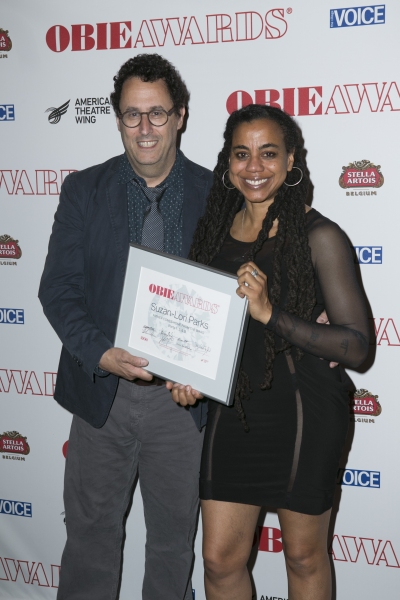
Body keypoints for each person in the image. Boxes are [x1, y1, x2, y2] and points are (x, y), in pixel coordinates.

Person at [169, 104, 369, 600]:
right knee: (218, 561)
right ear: (227, 161)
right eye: (241, 154)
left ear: (291, 159)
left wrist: (270, 313)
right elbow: (203, 327)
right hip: (234, 411)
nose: (254, 166)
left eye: (268, 153)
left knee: (303, 557)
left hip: (305, 411)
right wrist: (186, 371)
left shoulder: (320, 235)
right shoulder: (213, 231)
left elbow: (357, 346)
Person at [39, 54, 212, 600]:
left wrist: (203, 371)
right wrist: (101, 353)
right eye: (131, 115)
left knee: (172, 547)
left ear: (180, 116)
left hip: (179, 405)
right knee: (89, 541)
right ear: (116, 118)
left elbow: (238, 295)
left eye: (157, 114)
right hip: (102, 397)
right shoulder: (83, 190)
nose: (144, 128)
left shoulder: (218, 195)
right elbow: (57, 289)